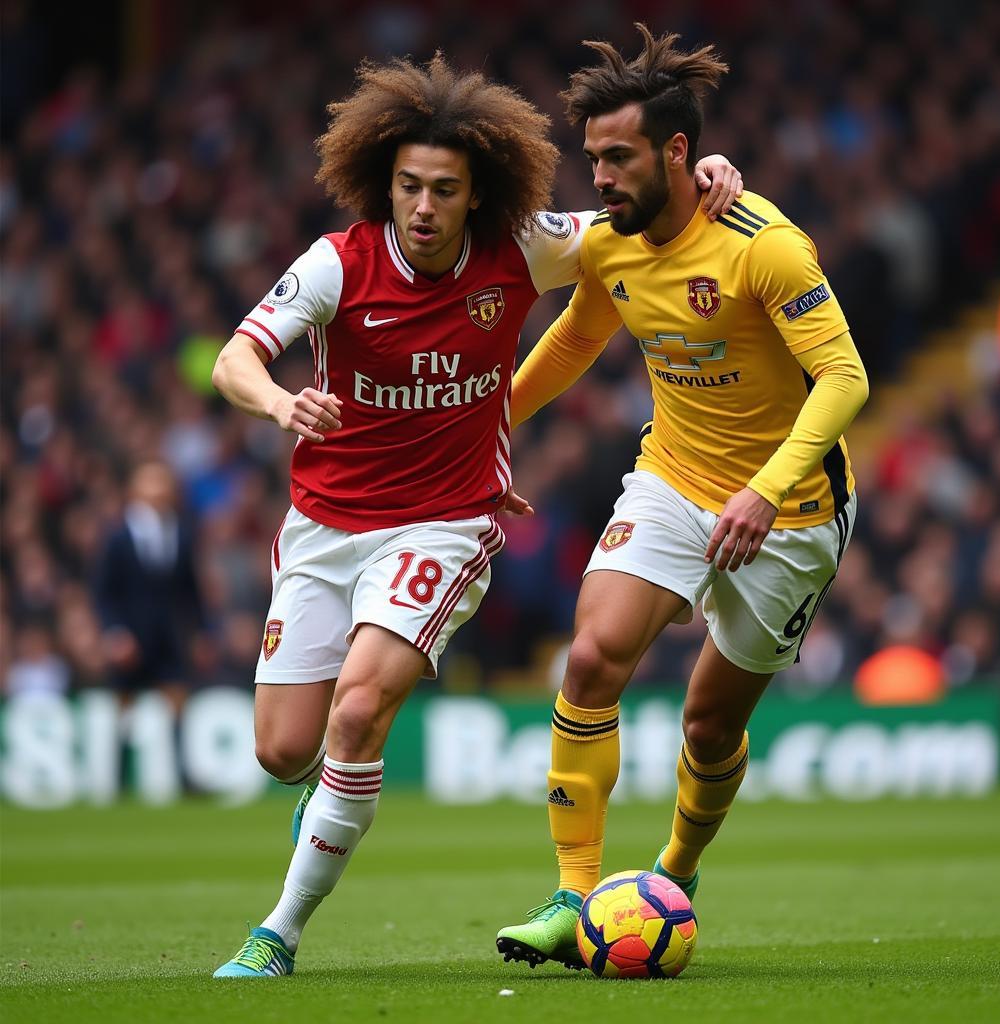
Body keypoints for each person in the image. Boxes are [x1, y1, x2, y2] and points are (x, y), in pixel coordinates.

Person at [210, 51, 742, 979]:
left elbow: (638, 212)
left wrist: (707, 174)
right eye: (408, 186)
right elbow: (234, 360)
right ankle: (324, 796)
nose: (422, 206)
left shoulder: (520, 246)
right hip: (324, 529)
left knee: (362, 709)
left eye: (443, 189)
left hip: (444, 524)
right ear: (386, 184)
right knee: (283, 750)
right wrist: (278, 402)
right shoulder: (339, 263)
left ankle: (278, 934)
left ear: (475, 193)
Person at [496, 24, 868, 969]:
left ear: (676, 152)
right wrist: (486, 422)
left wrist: (766, 490)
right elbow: (578, 341)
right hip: (671, 477)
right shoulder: (605, 249)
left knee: (709, 723)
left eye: (618, 158)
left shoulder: (765, 245)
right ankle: (573, 901)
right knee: (589, 660)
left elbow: (845, 379)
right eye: (593, 160)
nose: (601, 179)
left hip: (790, 513)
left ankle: (676, 870)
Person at [94, 459, 206, 712]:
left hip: (169, 638)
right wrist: (115, 632)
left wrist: (201, 631)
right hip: (129, 640)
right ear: (133, 490)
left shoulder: (181, 534)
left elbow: (190, 590)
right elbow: (104, 592)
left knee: (176, 709)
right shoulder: (117, 538)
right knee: (125, 714)